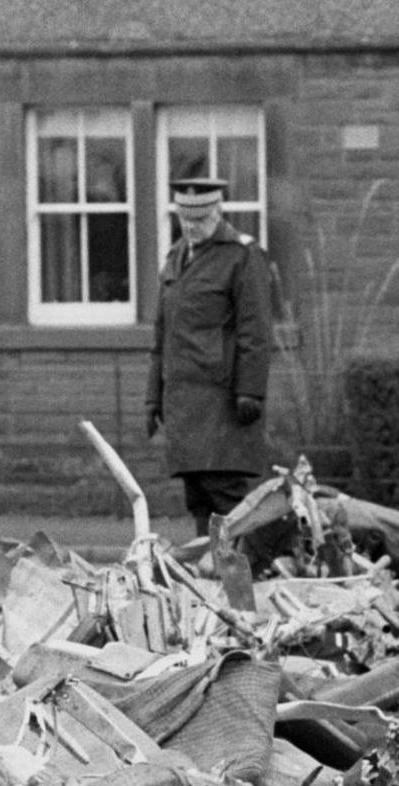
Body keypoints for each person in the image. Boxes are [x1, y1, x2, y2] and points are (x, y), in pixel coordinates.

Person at [147, 174, 274, 536]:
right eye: (185, 220)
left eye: (200, 220)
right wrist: (151, 397)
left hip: (223, 402)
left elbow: (256, 330)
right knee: (198, 495)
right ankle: (207, 577)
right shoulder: (174, 257)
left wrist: (251, 390)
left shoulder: (242, 256)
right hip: (184, 402)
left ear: (218, 212)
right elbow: (162, 334)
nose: (192, 227)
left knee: (227, 498)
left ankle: (237, 578)